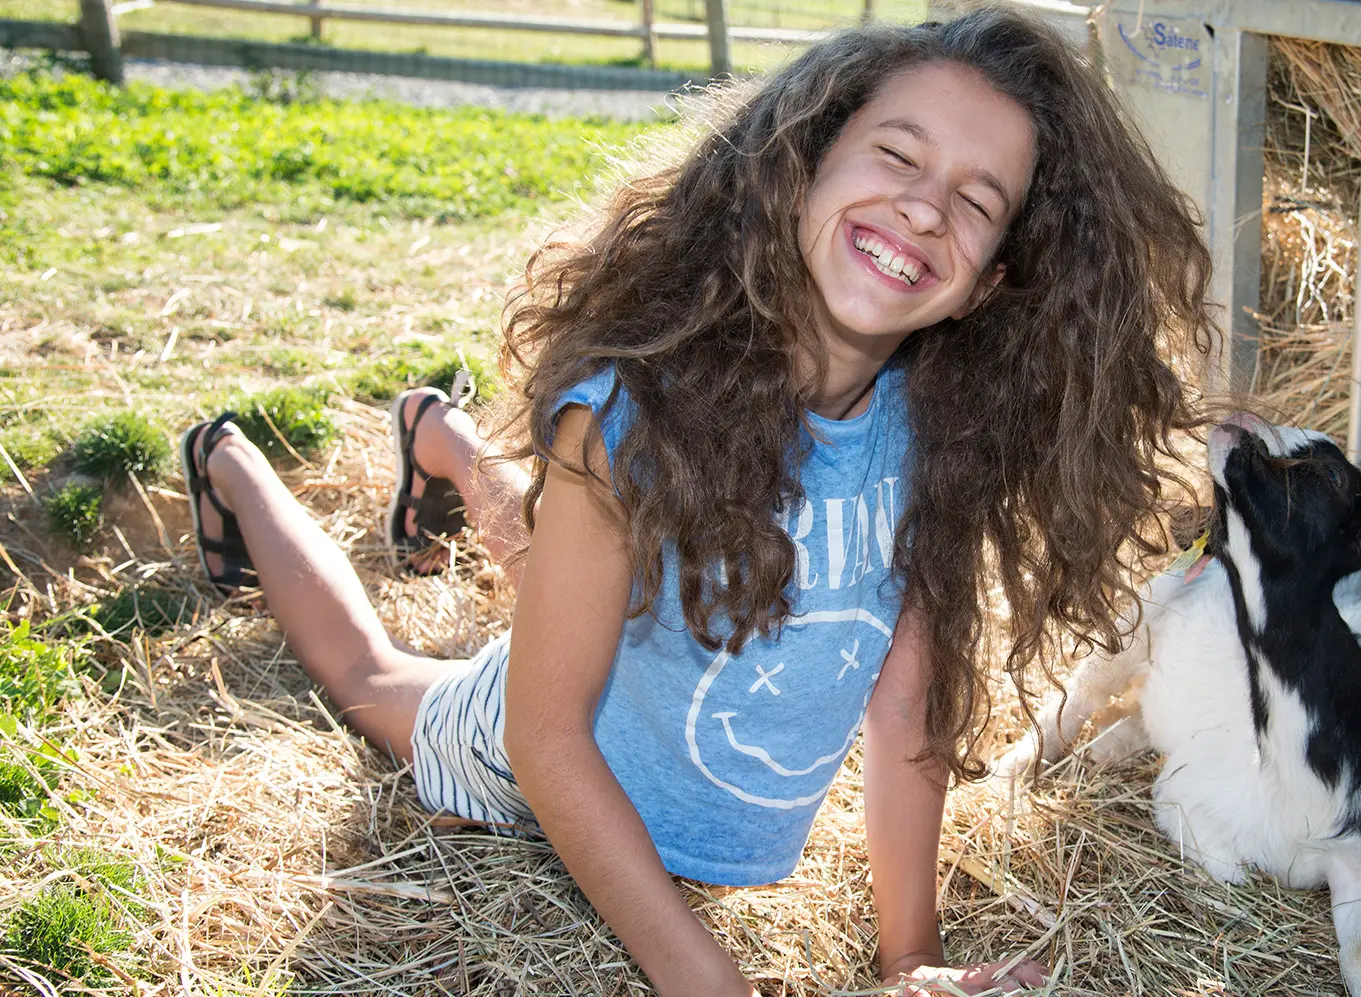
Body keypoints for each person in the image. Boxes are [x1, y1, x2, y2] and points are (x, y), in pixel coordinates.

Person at [178, 7, 1214, 995]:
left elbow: (906, 709)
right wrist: (699, 975)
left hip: (631, 663)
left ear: (987, 282)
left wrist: (909, 954)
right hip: (515, 753)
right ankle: (230, 464)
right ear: (801, 164)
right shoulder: (632, 414)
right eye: (896, 154)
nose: (924, 207)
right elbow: (545, 738)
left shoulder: (934, 442)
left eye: (978, 201)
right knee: (373, 674)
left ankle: (442, 437)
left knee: (578, 572)